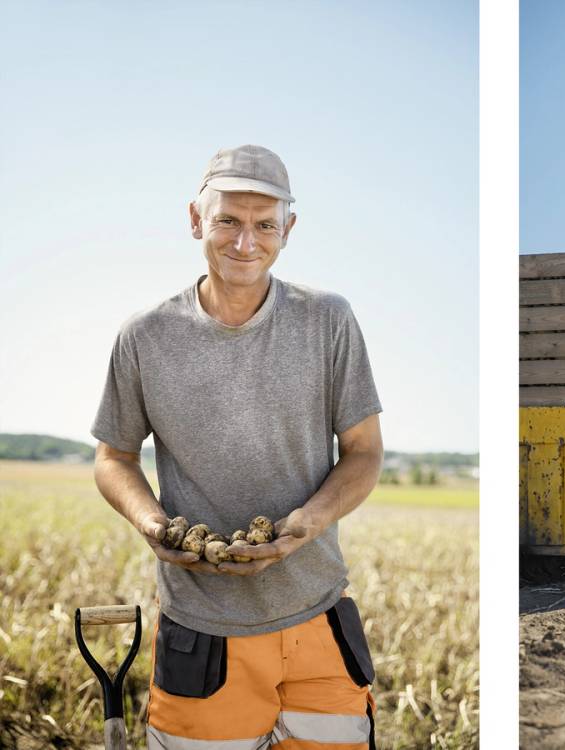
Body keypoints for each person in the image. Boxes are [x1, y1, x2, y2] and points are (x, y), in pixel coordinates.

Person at [92, 144, 384, 749]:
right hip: (201, 632)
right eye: (228, 220)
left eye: (264, 225)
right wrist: (152, 523)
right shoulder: (145, 336)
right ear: (196, 219)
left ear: (288, 230)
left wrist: (309, 521)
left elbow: (363, 451)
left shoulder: (328, 320)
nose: (245, 242)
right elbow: (113, 457)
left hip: (318, 620)